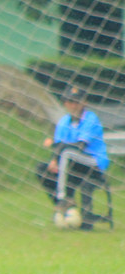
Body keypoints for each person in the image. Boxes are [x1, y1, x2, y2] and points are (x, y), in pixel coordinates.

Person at [37, 86, 109, 230]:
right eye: (69, 101)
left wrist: (57, 148)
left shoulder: (90, 118)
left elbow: (80, 145)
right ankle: (68, 207)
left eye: (76, 101)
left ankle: (63, 198)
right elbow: (59, 146)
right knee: (42, 169)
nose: (72, 105)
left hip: (93, 163)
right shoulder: (64, 121)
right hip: (70, 163)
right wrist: (53, 161)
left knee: (67, 152)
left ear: (84, 103)